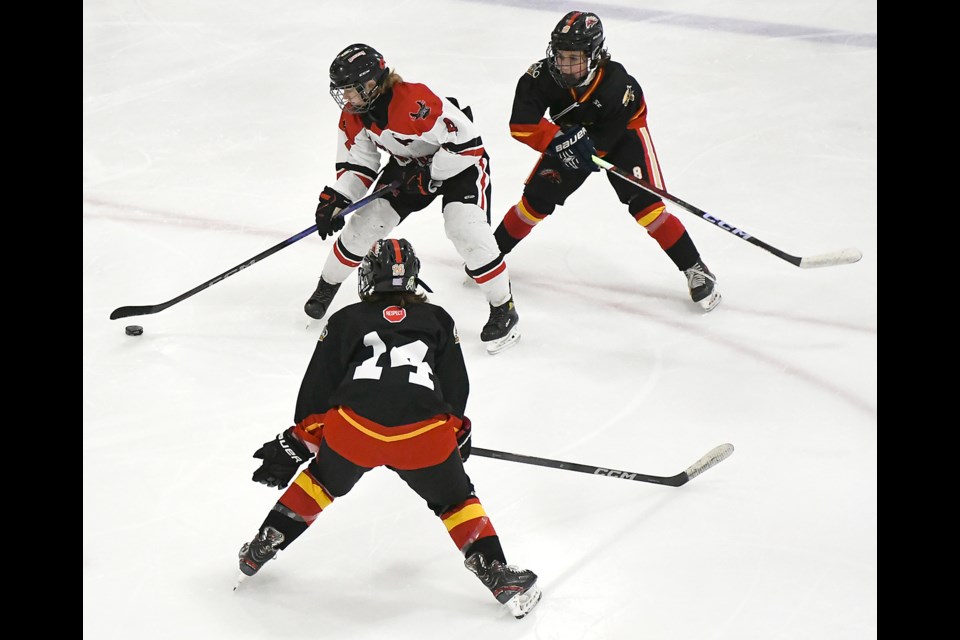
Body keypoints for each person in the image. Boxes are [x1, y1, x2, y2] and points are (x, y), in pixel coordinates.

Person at [238, 238, 542, 619]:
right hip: (423, 436)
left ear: (368, 277)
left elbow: (318, 387)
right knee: (456, 500)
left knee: (321, 481)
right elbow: (455, 386)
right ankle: (496, 572)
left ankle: (268, 539)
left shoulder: (346, 319)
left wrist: (300, 439)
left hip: (355, 432)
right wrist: (455, 433)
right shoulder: (437, 319)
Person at [493, 11, 722, 312]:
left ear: (594, 55)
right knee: (534, 201)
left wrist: (573, 146)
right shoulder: (540, 77)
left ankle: (695, 267)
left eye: (574, 58)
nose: (565, 65)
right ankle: (490, 256)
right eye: (561, 56)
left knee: (647, 207)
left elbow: (598, 148)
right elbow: (521, 125)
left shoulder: (618, 86)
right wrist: (558, 140)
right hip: (568, 137)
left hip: (623, 134)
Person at [304, 43, 521, 354]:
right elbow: (359, 164)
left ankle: (504, 308)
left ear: (370, 84)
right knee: (364, 225)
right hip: (409, 167)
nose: (346, 98)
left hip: (459, 166)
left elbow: (469, 144)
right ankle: (325, 289)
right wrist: (339, 198)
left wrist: (432, 173)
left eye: (350, 90)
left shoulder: (414, 101)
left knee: (465, 230)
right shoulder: (355, 113)